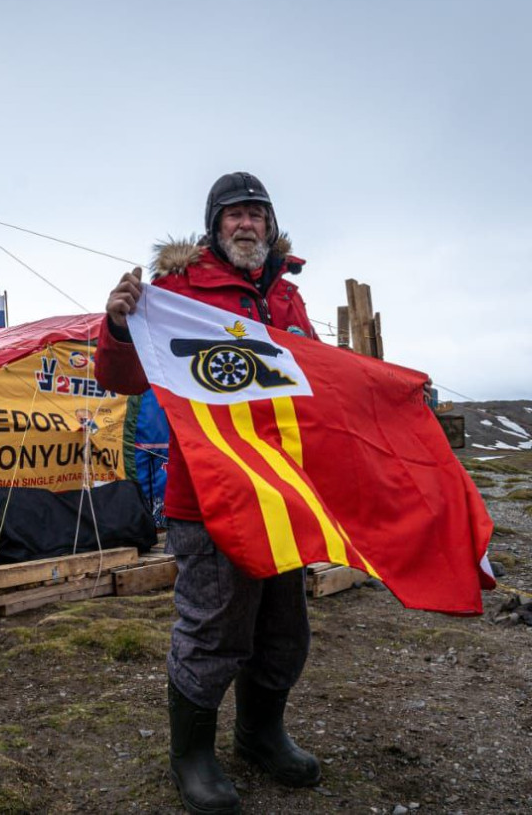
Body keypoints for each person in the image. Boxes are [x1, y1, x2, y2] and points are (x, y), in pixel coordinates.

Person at [96, 172, 320, 815]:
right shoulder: (175, 291)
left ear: (271, 226)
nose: (247, 224)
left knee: (284, 629)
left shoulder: (287, 298)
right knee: (214, 625)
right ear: (213, 226)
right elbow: (122, 377)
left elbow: (315, 382)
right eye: (234, 215)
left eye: (257, 214)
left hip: (283, 492)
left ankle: (260, 735)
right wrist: (116, 325)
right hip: (209, 491)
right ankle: (191, 755)